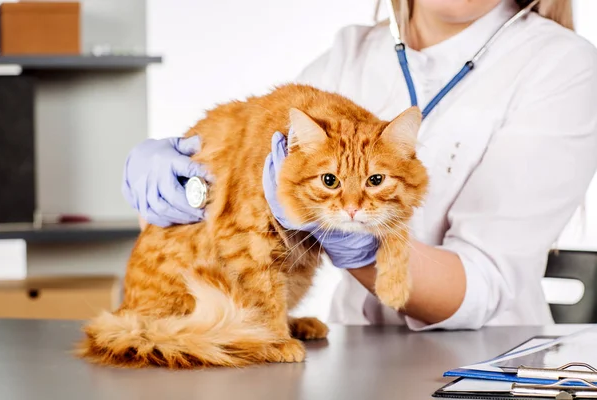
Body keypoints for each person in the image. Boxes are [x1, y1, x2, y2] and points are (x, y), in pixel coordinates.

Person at [122, 0, 597, 330]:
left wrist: (363, 249)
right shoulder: (350, 54)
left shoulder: (562, 65)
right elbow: (238, 210)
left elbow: (486, 284)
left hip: (487, 357)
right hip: (355, 349)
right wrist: (185, 188)